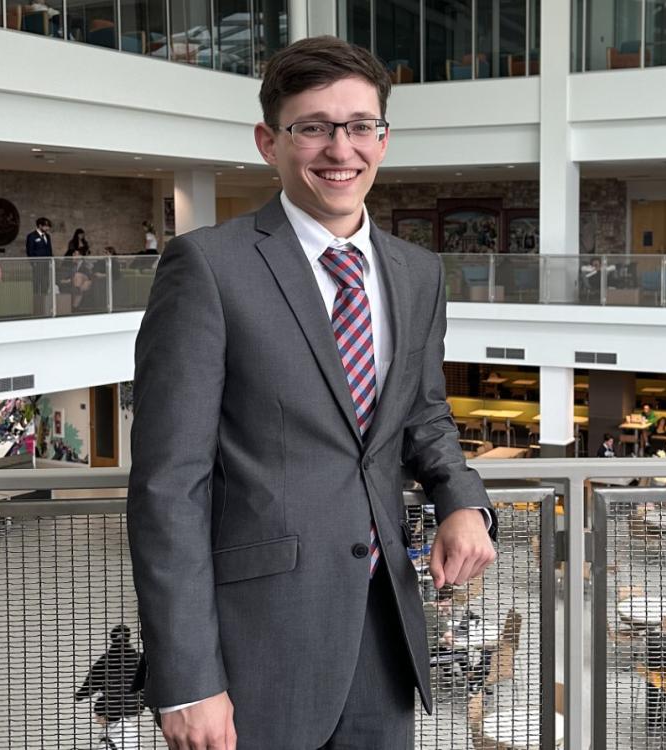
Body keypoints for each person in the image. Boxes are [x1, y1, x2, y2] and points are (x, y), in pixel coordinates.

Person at [127, 36, 497, 750]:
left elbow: (423, 415)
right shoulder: (208, 267)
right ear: (270, 141)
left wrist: (462, 499)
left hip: (384, 632)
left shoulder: (419, 273)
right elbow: (168, 486)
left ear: (383, 139)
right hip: (255, 649)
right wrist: (188, 678)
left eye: (360, 126)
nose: (341, 149)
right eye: (314, 127)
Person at [76, 624, 145, 749]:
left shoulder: (106, 660)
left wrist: (81, 694)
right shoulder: (139, 659)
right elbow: (149, 682)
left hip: (111, 707)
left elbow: (92, 681)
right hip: (134, 706)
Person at [25, 217, 53, 315]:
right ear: (40, 226)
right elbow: (30, 251)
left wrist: (51, 261)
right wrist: (34, 263)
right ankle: (37, 308)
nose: (47, 228)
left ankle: (45, 306)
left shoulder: (48, 236)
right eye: (46, 226)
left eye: (48, 226)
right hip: (37, 265)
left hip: (46, 265)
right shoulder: (31, 236)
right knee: (37, 285)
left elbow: (49, 250)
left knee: (46, 284)